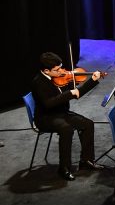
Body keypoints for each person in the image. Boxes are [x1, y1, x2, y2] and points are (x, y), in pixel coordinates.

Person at [31, 52, 104, 181]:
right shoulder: (38, 82)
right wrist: (68, 94)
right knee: (66, 129)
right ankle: (64, 168)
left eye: (61, 67)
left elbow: (77, 93)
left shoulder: (61, 77)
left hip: (61, 113)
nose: (62, 71)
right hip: (45, 117)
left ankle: (86, 161)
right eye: (57, 70)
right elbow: (48, 104)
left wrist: (92, 80)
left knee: (87, 124)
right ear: (46, 71)